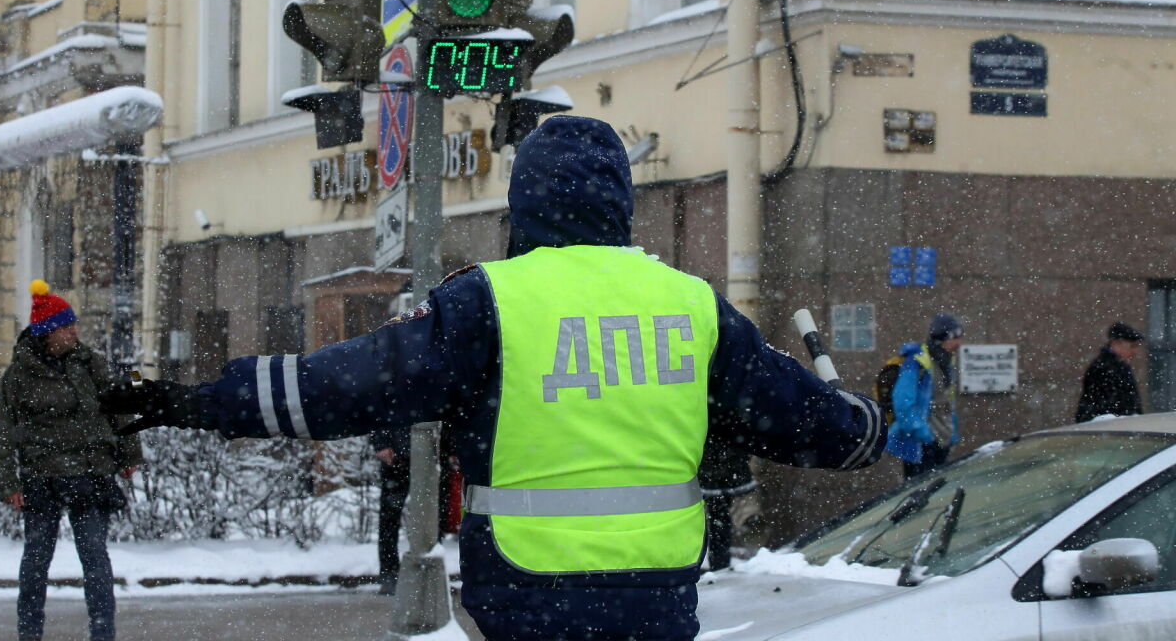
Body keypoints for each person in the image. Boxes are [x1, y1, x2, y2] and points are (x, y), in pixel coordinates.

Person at [100, 115, 885, 641]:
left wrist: (196, 401)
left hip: (526, 594)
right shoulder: (692, 306)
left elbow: (346, 384)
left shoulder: (490, 302)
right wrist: (865, 428)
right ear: (620, 202)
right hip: (657, 599)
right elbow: (809, 422)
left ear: (524, 204)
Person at [0, 280, 142, 641]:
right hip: (41, 478)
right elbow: (2, 432)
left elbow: (122, 405)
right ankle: (30, 634)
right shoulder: (18, 376)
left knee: (95, 559)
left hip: (91, 476)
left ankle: (103, 634)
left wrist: (129, 454)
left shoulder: (91, 364)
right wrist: (8, 483)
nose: (74, 332)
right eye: (66, 326)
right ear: (46, 332)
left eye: (73, 325)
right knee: (36, 562)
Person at [371, 425, 458, 595]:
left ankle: (432, 573)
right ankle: (390, 575)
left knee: (434, 520)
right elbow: (379, 407)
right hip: (400, 455)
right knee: (390, 518)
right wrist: (381, 443)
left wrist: (452, 447)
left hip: (434, 455)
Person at [886, 312, 963, 479]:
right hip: (922, 444)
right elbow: (903, 403)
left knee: (937, 494)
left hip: (942, 441)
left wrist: (951, 433)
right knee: (919, 494)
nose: (959, 343)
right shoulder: (916, 362)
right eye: (955, 337)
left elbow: (947, 402)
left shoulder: (947, 362)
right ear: (941, 338)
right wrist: (923, 434)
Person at [697, 433, 755, 572]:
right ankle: (720, 561)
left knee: (717, 514)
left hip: (712, 466)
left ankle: (718, 561)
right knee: (721, 515)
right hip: (727, 464)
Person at [1076, 321, 1145, 423]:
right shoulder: (1103, 368)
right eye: (1132, 346)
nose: (1135, 352)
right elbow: (1107, 407)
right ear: (1116, 344)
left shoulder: (1118, 366)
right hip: (1109, 430)